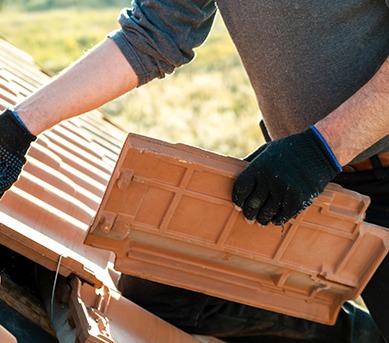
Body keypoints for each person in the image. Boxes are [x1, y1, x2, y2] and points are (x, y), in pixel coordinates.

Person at [1, 0, 388, 342]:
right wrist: (18, 128)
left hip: (338, 158)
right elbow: (152, 33)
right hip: (302, 166)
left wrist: (323, 148)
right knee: (162, 289)